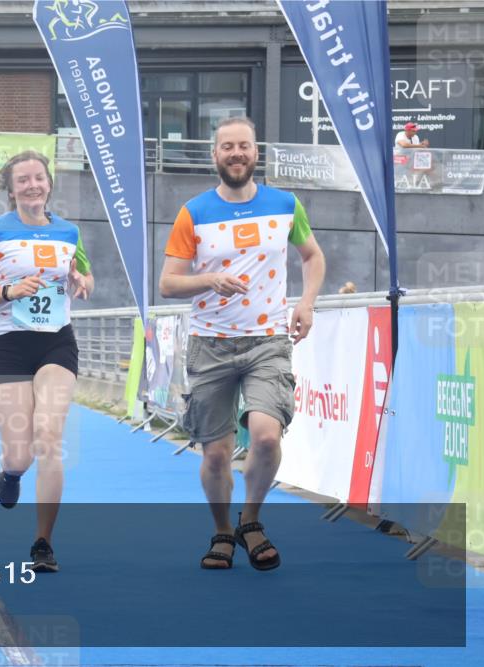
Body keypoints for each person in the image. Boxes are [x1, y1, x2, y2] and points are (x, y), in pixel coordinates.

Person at [159, 117, 325, 571]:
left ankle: (250, 520)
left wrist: (306, 304)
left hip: (268, 340)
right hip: (211, 344)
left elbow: (312, 256)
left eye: (244, 146)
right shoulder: (193, 212)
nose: (236, 153)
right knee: (214, 453)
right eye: (227, 147)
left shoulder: (285, 204)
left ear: (256, 153)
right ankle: (221, 532)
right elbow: (168, 284)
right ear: (215, 155)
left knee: (267, 437)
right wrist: (210, 279)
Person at [0, 150, 93, 573]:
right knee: (21, 454)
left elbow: (85, 276)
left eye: (39, 178)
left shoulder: (69, 232)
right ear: (11, 189)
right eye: (23, 180)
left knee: (49, 437)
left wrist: (80, 280)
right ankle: (11, 472)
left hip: (56, 342)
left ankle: (43, 542)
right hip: (9, 344)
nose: (32, 185)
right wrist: (9, 292)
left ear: (49, 183)